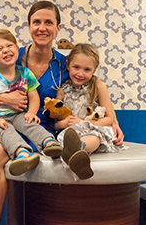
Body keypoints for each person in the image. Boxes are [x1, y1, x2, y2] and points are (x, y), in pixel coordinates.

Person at [0, 0, 124, 225]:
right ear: (29, 26)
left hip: (35, 129)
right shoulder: (11, 54)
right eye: (36, 22)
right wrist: (3, 99)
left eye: (48, 23)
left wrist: (114, 121)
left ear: (57, 28)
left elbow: (94, 83)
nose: (42, 27)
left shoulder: (64, 64)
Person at [0, 29, 63, 176]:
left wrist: (31, 113)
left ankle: (49, 143)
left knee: (30, 123)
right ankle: (22, 154)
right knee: (6, 131)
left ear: (17, 49)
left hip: (18, 114)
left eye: (9, 46)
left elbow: (34, 97)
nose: (5, 51)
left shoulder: (25, 73)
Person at [54, 43, 126, 180]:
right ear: (68, 64)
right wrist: (63, 123)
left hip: (93, 129)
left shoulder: (99, 86)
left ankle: (78, 148)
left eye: (87, 69)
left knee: (94, 137)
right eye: (76, 67)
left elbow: (109, 119)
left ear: (94, 70)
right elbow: (55, 124)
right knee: (67, 137)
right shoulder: (62, 90)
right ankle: (76, 156)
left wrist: (85, 122)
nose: (80, 73)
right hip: (70, 132)